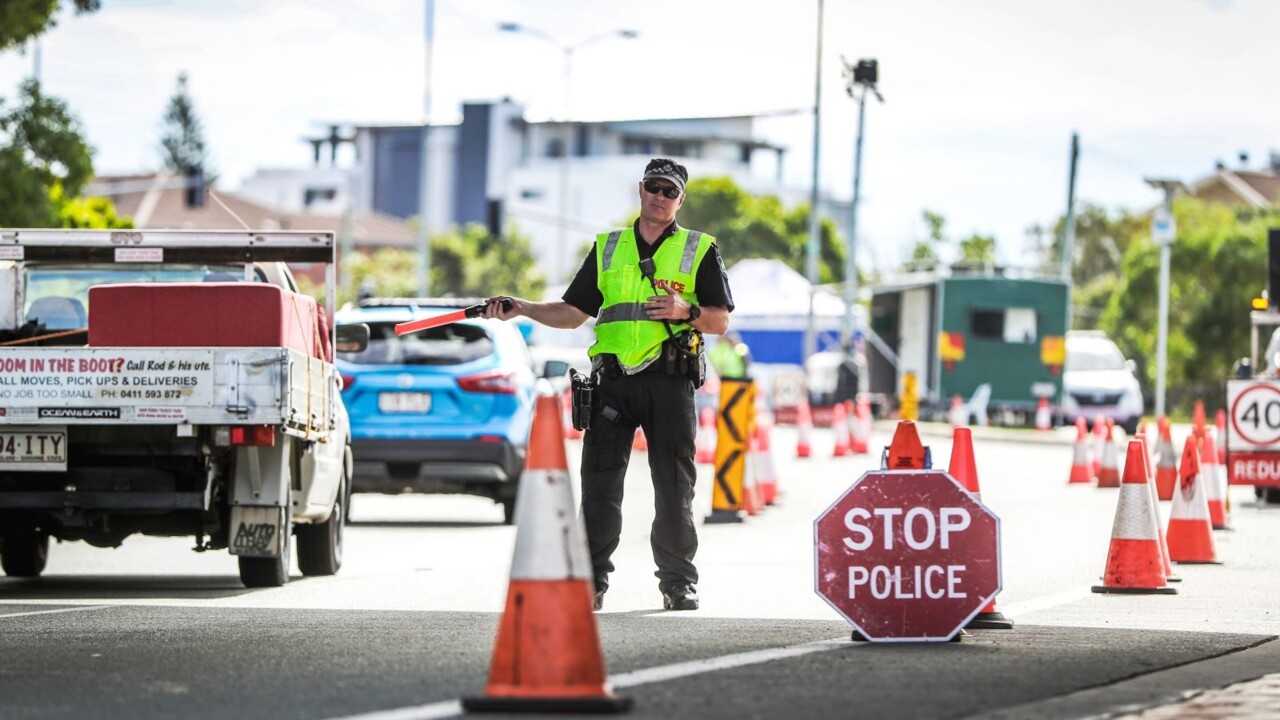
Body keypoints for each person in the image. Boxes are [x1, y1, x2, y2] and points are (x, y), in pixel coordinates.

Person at [480, 158, 734, 612]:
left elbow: (721, 320)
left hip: (669, 381)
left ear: (681, 199)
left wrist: (685, 311)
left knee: (674, 487)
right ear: (641, 189)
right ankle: (591, 581)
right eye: (654, 187)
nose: (660, 196)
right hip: (612, 381)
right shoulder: (608, 248)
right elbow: (572, 312)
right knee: (599, 488)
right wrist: (522, 307)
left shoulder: (700, 248)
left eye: (670, 191)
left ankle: (678, 583)